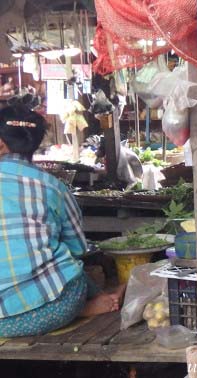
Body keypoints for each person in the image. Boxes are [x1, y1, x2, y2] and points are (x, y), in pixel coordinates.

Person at [0, 105, 123, 338]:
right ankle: (87, 306)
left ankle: (87, 304)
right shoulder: (52, 186)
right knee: (69, 269)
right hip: (55, 309)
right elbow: (78, 248)